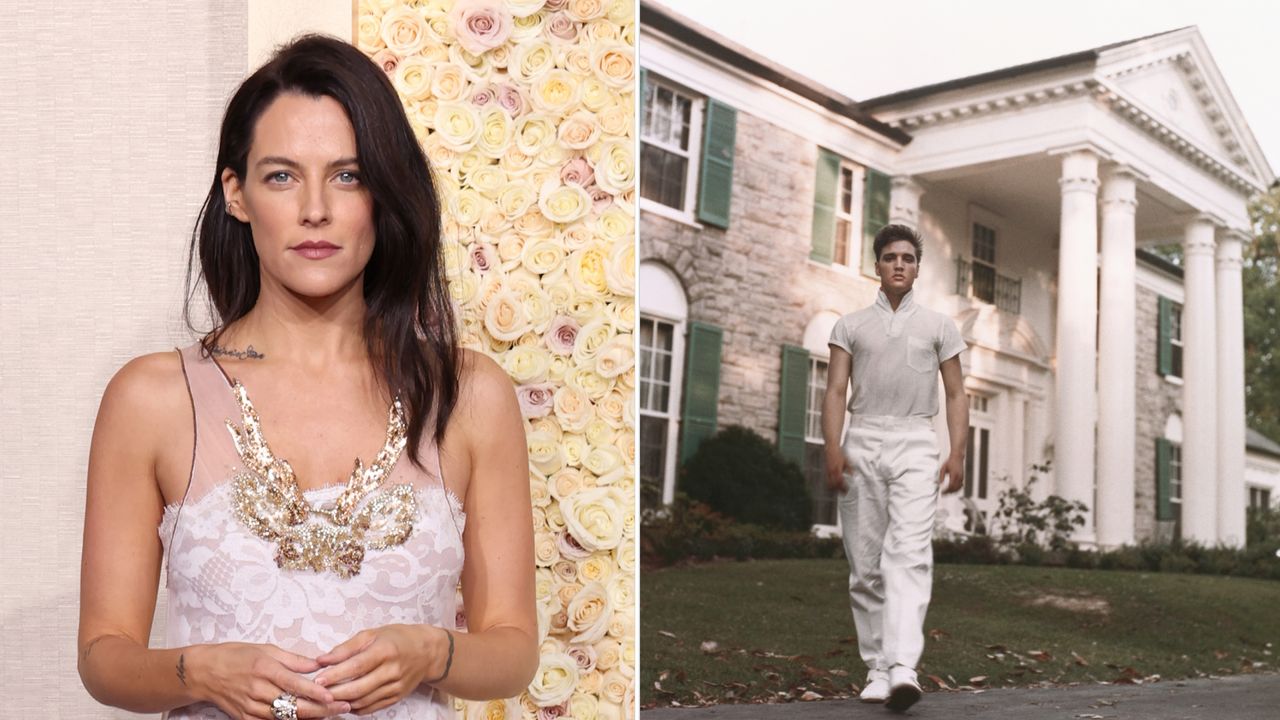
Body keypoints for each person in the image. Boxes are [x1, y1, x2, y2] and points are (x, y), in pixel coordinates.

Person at [77, 35, 538, 720]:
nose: (315, 208)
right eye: (282, 176)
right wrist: (200, 669)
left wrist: (430, 651)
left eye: (348, 176)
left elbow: (513, 650)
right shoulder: (152, 398)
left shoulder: (469, 395)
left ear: (384, 195)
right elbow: (103, 658)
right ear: (237, 194)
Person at [821, 223, 968, 713]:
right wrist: (832, 449)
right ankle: (878, 669)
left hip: (915, 442)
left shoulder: (940, 326)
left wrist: (957, 453)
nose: (899, 264)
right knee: (865, 565)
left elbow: (955, 393)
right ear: (878, 266)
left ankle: (903, 666)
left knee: (908, 554)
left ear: (917, 267)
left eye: (907, 257)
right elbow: (835, 391)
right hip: (862, 439)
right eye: (890, 257)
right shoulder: (850, 325)